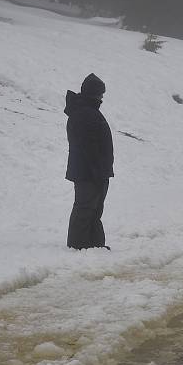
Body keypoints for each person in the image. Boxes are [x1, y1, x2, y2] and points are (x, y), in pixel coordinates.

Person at [65, 73, 114, 250]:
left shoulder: (87, 111)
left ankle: (94, 244)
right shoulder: (84, 113)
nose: (102, 98)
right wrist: (98, 171)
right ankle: (78, 245)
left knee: (94, 209)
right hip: (89, 172)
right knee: (85, 209)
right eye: (100, 94)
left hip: (94, 171)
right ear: (93, 93)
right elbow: (87, 147)